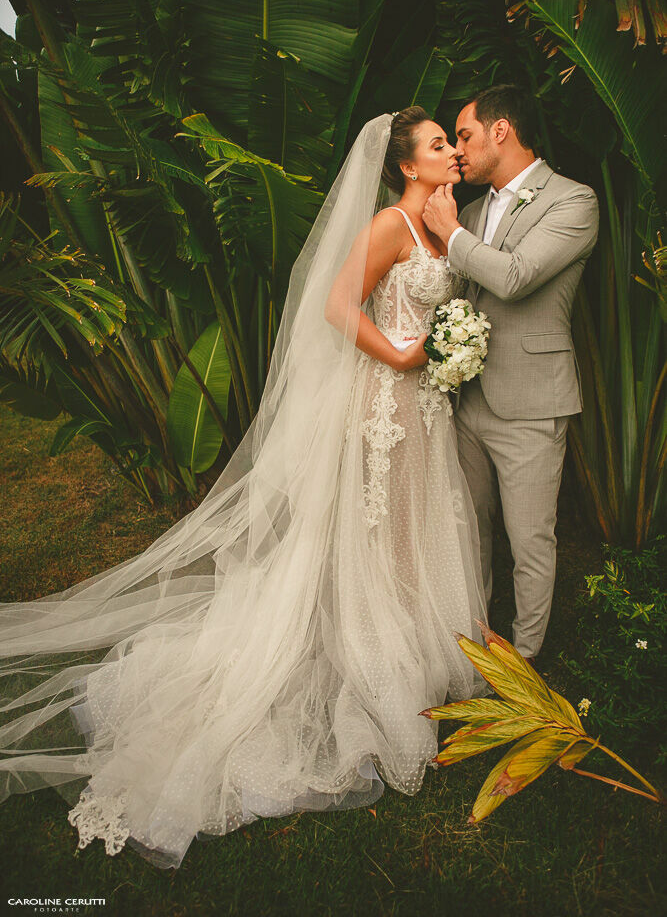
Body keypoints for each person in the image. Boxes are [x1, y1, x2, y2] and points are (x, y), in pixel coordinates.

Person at [0, 109, 489, 870]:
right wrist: (397, 355)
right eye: (437, 147)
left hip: (425, 412)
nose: (452, 154)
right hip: (384, 405)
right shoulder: (391, 223)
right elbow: (336, 306)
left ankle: (413, 646)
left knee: (409, 525)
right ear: (404, 164)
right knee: (374, 524)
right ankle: (371, 649)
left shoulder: (436, 218)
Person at [422, 83, 599, 664]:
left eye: (465, 135)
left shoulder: (574, 202)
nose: (459, 151)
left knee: (530, 543)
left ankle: (523, 670)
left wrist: (449, 235)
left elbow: (516, 277)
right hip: (469, 399)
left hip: (532, 402)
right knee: (469, 534)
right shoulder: (472, 209)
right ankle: (472, 652)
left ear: (502, 130)